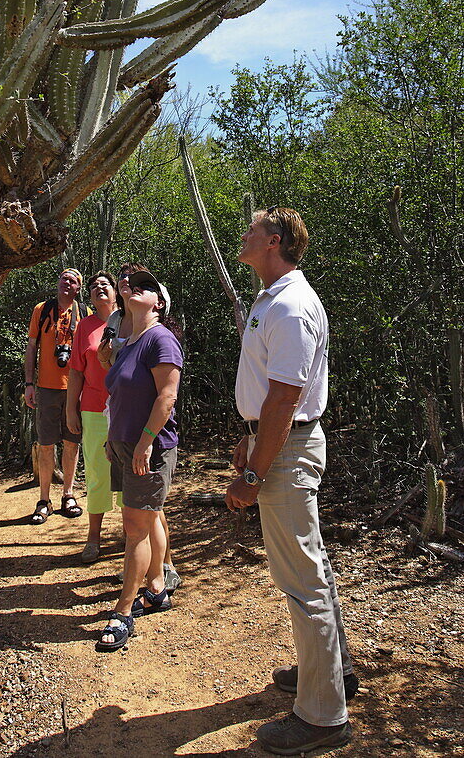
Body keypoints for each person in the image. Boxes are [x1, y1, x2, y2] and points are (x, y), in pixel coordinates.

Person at [225, 206, 357, 756]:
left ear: (273, 240)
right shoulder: (274, 298)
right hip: (279, 440)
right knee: (313, 567)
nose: (244, 234)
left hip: (287, 449)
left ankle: (323, 716)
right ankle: (332, 672)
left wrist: (256, 469)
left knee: (303, 580)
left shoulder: (291, 305)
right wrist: (251, 435)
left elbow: (286, 397)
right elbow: (270, 395)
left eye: (252, 230)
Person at [95, 269, 182, 652]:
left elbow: (167, 397)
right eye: (132, 284)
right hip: (126, 444)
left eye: (147, 286)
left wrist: (145, 443)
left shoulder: (161, 339)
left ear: (159, 303)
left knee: (135, 528)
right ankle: (158, 589)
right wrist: (115, 440)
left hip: (151, 447)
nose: (134, 288)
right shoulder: (129, 343)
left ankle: (124, 611)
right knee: (147, 518)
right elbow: (116, 391)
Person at [65, 271, 122, 563]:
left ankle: (132, 533)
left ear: (116, 292)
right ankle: (94, 538)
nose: (99, 288)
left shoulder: (129, 320)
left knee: (129, 471)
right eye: (94, 286)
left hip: (127, 409)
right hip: (93, 408)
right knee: (98, 472)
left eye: (105, 285)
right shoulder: (84, 327)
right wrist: (70, 408)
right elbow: (75, 370)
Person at [24, 268, 85, 525]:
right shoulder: (42, 310)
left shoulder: (85, 313)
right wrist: (29, 383)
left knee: (72, 443)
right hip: (47, 387)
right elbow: (31, 347)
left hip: (76, 388)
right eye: (64, 279)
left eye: (72, 281)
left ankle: (68, 495)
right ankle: (44, 500)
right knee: (46, 444)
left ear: (78, 288)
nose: (66, 283)